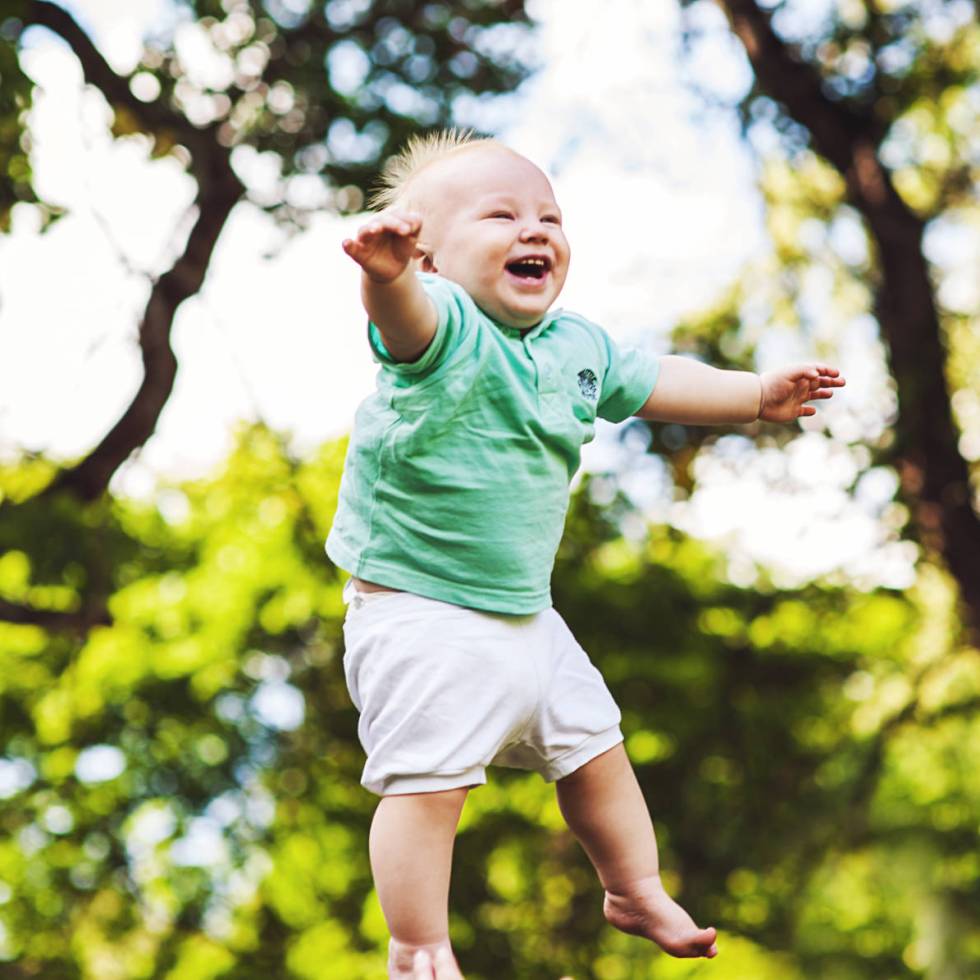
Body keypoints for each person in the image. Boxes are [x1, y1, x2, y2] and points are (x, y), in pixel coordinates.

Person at [330, 130, 845, 980]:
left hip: (528, 616)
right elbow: (405, 320)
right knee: (429, 787)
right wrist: (384, 278)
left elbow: (658, 381)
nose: (535, 230)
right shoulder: (443, 326)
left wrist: (756, 396)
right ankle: (417, 943)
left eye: (549, 217)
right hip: (421, 613)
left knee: (596, 749)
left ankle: (634, 887)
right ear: (431, 256)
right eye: (501, 215)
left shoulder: (576, 346)